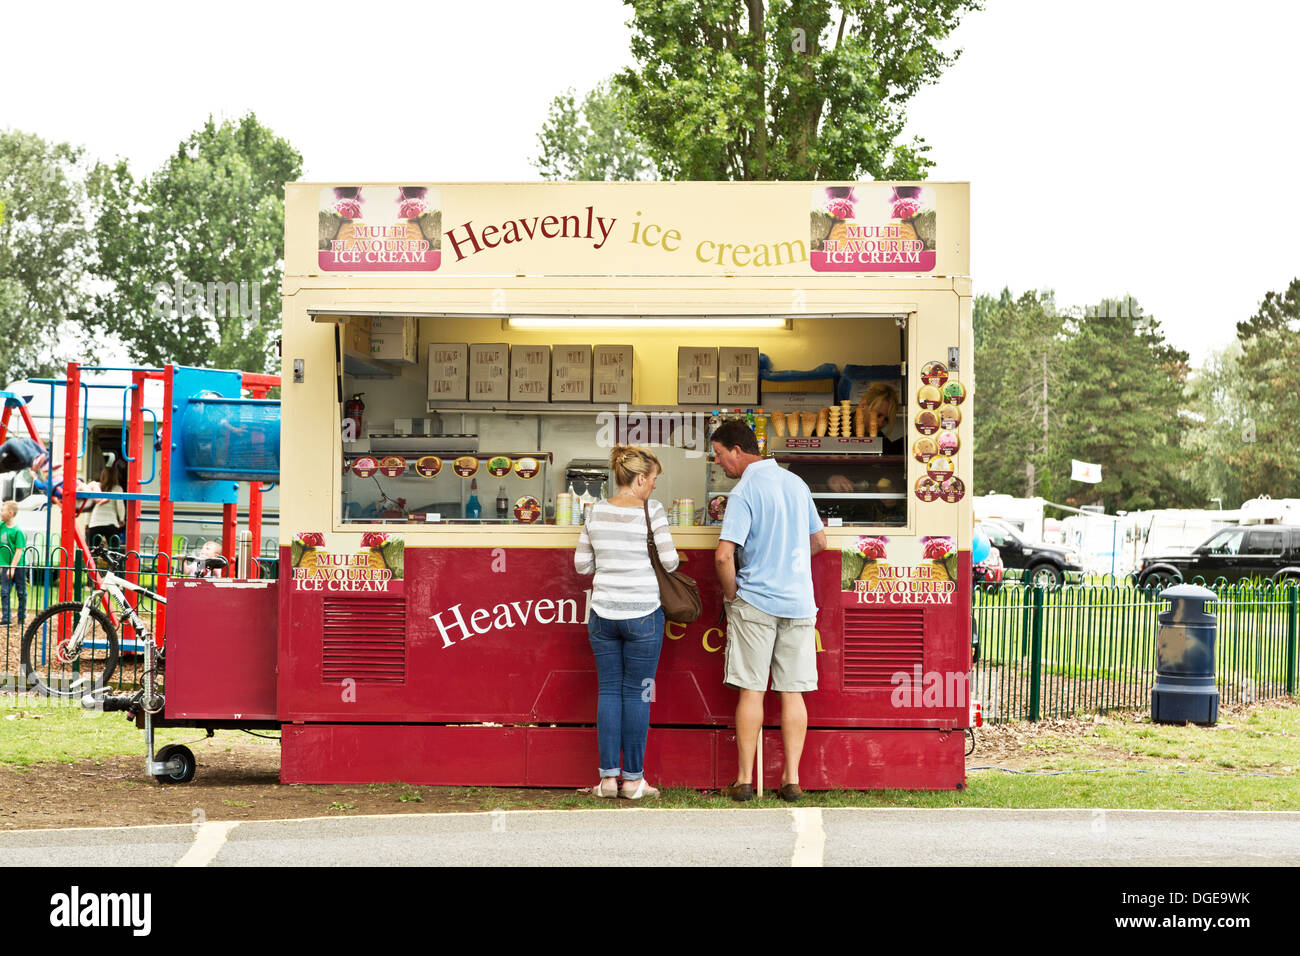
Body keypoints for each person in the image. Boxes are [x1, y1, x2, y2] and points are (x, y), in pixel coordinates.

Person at [712, 420, 826, 802]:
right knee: (793, 694)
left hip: (756, 602)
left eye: (719, 455)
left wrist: (732, 596)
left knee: (752, 691)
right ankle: (791, 780)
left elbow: (724, 555)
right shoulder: (796, 483)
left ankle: (745, 780)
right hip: (798, 602)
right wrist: (787, 560)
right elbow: (819, 541)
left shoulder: (744, 490)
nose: (719, 464)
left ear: (737, 451)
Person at [573, 445, 679, 799]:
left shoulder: (595, 511)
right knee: (639, 694)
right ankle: (633, 781)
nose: (653, 487)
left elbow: (582, 566)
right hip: (644, 616)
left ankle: (606, 780)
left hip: (602, 615)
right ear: (638, 478)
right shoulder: (653, 511)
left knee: (608, 691)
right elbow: (671, 561)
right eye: (651, 480)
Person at [86, 460, 126, 549]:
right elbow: (120, 506)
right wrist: (122, 519)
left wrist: (87, 523)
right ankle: (113, 562)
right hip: (111, 523)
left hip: (95, 522)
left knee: (93, 551)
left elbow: (90, 506)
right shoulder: (117, 488)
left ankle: (93, 562)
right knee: (114, 551)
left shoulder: (96, 487)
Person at [0, 500, 26, 628]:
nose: (0, 512)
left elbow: (19, 551)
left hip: (18, 566)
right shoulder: (1, 526)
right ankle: (6, 618)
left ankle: (21, 618)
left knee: (21, 592)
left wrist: (12, 567)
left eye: (2, 510)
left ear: (10, 513)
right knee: (4, 592)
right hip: (5, 565)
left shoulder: (17, 531)